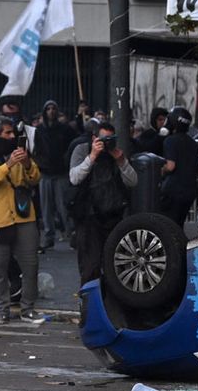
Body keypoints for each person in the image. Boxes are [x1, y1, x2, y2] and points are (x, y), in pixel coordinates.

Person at [0, 116, 43, 325]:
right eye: (7, 133)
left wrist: (27, 163)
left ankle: (28, 309)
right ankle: (1, 310)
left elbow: (35, 178)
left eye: (13, 132)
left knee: (30, 265)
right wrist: (8, 164)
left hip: (23, 216)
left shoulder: (20, 151)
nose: (12, 136)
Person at [69, 121, 137, 284]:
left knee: (114, 265)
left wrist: (122, 162)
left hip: (113, 215)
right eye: (103, 139)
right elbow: (74, 178)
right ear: (94, 138)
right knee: (90, 265)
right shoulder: (82, 150)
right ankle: (89, 303)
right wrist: (92, 156)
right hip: (89, 216)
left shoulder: (116, 154)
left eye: (110, 139)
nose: (107, 144)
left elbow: (133, 181)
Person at [33, 100, 76, 250]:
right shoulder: (39, 130)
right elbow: (34, 149)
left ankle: (71, 234)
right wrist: (39, 162)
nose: (51, 111)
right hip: (45, 173)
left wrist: (66, 160)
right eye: (48, 109)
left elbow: (73, 145)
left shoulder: (65, 129)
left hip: (60, 172)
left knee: (63, 206)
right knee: (46, 208)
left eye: (53, 108)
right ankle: (49, 236)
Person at [158, 106, 198, 228]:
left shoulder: (170, 141)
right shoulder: (193, 143)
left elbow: (170, 166)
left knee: (168, 225)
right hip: (190, 191)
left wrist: (159, 170)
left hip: (173, 191)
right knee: (179, 225)